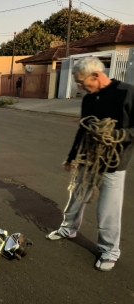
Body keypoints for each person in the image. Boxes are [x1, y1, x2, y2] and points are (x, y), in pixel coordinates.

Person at [45, 56, 134, 272]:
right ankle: (68, 228)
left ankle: (109, 250)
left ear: (96, 75)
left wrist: (115, 134)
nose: (80, 86)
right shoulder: (89, 98)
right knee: (76, 197)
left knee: (107, 209)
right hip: (89, 158)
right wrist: (72, 156)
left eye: (83, 82)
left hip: (115, 162)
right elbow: (83, 129)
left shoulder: (127, 92)